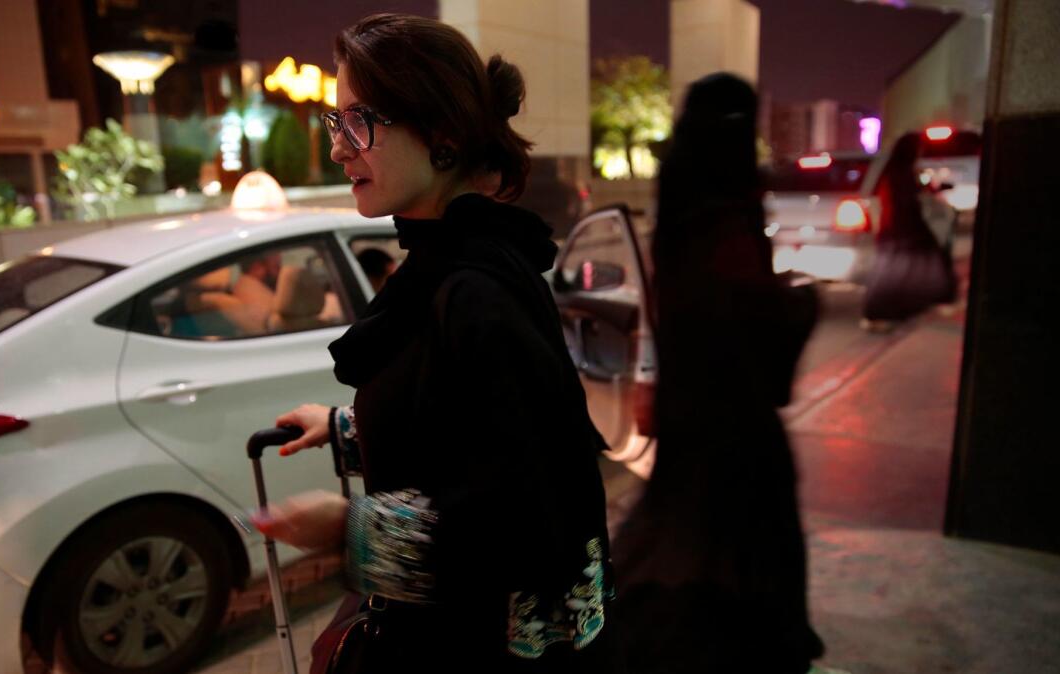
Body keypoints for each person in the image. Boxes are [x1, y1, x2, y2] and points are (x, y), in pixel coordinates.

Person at [254, 13, 618, 673]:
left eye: (360, 121)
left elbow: (530, 517)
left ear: (443, 134)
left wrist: (349, 530)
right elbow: (466, 427)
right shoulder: (450, 266)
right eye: (337, 124)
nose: (340, 149)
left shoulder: (477, 289)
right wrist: (345, 426)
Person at [610, 73, 825, 673]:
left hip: (689, 421)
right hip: (737, 434)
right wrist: (803, 300)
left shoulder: (679, 206)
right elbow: (751, 328)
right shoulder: (728, 218)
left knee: (673, 546)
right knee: (731, 576)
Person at [862, 131, 957, 328]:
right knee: (903, 269)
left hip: (896, 228)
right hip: (902, 227)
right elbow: (905, 199)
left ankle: (885, 312)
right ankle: (883, 312)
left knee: (896, 270)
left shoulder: (894, 169)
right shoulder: (900, 172)